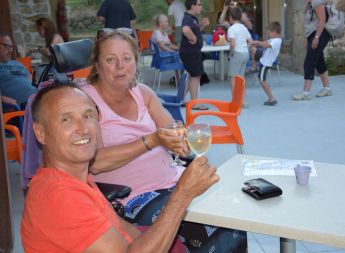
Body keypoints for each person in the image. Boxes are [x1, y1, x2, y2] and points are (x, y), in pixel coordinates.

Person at [82, 28, 247, 251]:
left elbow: (174, 132)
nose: (120, 66)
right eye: (110, 59)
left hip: (175, 182)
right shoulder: (85, 101)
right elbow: (95, 162)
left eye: (126, 58)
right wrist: (152, 140)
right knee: (206, 229)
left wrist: (180, 140)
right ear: (98, 65)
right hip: (133, 199)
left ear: (136, 61)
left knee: (232, 218)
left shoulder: (143, 93)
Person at [21, 81, 219, 252]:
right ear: (40, 133)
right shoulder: (59, 195)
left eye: (88, 116)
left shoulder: (76, 180)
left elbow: (124, 228)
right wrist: (182, 194)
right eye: (66, 119)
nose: (83, 128)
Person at [292, 0, 332, 101]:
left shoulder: (317, 2)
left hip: (320, 34)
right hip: (312, 35)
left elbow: (322, 20)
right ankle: (327, 89)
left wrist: (317, 37)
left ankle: (305, 93)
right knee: (319, 62)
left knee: (309, 62)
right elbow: (309, 25)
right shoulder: (309, 4)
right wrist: (307, 40)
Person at [179, 0, 210, 110]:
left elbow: (193, 31)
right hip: (191, 52)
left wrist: (201, 25)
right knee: (195, 76)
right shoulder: (188, 18)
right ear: (192, 6)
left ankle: (180, 99)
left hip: (190, 51)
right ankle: (195, 103)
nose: (201, 7)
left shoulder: (192, 18)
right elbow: (186, 30)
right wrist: (193, 38)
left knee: (192, 76)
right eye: (199, 4)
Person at [227, 7, 254, 107]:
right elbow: (251, 41)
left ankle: (235, 102)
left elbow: (232, 44)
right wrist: (246, 47)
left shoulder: (231, 28)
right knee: (241, 79)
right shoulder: (244, 27)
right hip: (245, 54)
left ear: (231, 17)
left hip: (236, 54)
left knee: (233, 78)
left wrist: (231, 53)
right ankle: (244, 101)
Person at [0, 32, 36, 107]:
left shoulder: (18, 64)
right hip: (21, 107)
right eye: (6, 46)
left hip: (39, 99)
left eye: (11, 47)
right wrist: (2, 99)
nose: (10, 50)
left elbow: (33, 82)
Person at [251, 22, 282, 106]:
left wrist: (259, 42)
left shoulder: (277, 41)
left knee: (262, 80)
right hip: (263, 58)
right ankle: (254, 67)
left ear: (276, 32)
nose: (268, 32)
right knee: (252, 49)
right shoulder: (273, 39)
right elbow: (265, 42)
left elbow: (267, 45)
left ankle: (272, 98)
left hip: (266, 63)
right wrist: (256, 42)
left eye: (270, 31)